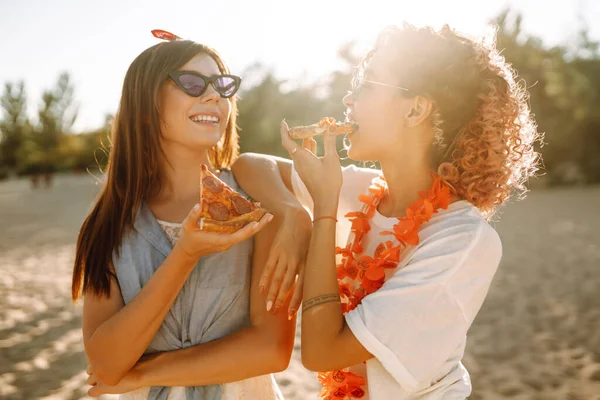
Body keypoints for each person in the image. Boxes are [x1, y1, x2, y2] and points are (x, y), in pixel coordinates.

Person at [234, 23, 542, 399]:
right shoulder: (361, 189)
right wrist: (292, 213)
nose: (348, 101)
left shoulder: (464, 242)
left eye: (366, 85)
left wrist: (325, 208)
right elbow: (249, 164)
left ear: (415, 109)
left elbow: (321, 352)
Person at [72, 30, 312, 399]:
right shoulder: (111, 222)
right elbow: (104, 363)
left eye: (222, 84)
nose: (214, 95)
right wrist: (185, 254)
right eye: (192, 83)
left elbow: (271, 350)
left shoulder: (259, 201)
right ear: (145, 106)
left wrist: (142, 375)